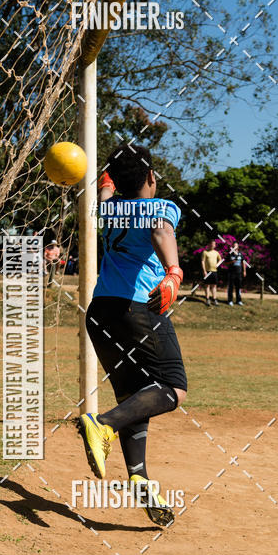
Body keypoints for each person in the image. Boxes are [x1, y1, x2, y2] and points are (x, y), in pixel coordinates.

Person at [77, 144, 186, 527]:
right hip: (135, 310)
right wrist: (173, 271)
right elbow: (160, 229)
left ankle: (139, 476)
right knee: (173, 388)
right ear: (152, 178)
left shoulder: (107, 207)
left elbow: (105, 194)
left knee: (135, 397)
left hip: (99, 312)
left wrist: (106, 181)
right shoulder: (159, 207)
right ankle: (102, 423)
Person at [201, 238, 223, 306]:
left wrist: (217, 265)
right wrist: (204, 271)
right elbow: (202, 261)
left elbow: (221, 260)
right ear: (209, 244)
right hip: (207, 271)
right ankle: (207, 299)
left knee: (214, 286)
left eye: (214, 244)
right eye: (212, 244)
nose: (213, 245)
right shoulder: (205, 252)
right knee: (207, 285)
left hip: (214, 271)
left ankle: (214, 299)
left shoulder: (216, 252)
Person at [227, 241, 247, 306]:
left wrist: (244, 271)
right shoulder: (229, 254)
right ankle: (230, 301)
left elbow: (243, 263)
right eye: (233, 246)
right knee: (231, 287)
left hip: (239, 273)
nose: (234, 247)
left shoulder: (240, 254)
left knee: (238, 287)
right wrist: (232, 261)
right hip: (231, 273)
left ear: (238, 247)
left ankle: (239, 300)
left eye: (236, 246)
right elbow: (225, 263)